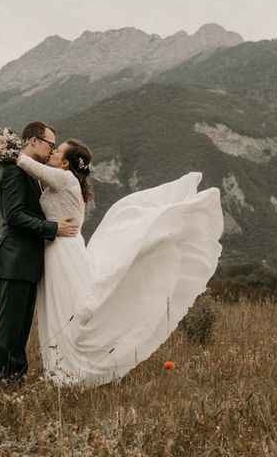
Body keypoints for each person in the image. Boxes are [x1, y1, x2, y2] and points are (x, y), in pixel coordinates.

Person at [15, 136, 224, 386]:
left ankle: (67, 371)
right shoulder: (65, 179)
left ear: (66, 164)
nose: (53, 152)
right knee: (59, 309)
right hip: (59, 249)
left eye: (57, 150)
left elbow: (24, 162)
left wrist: (2, 145)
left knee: (65, 311)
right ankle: (59, 369)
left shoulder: (65, 178)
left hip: (63, 252)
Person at [0, 121, 78, 382]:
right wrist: (52, 228)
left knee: (22, 324)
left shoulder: (32, 174)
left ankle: (16, 375)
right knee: (10, 325)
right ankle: (3, 378)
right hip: (15, 258)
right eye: (51, 144)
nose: (52, 150)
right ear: (33, 141)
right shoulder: (14, 174)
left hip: (28, 261)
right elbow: (14, 215)